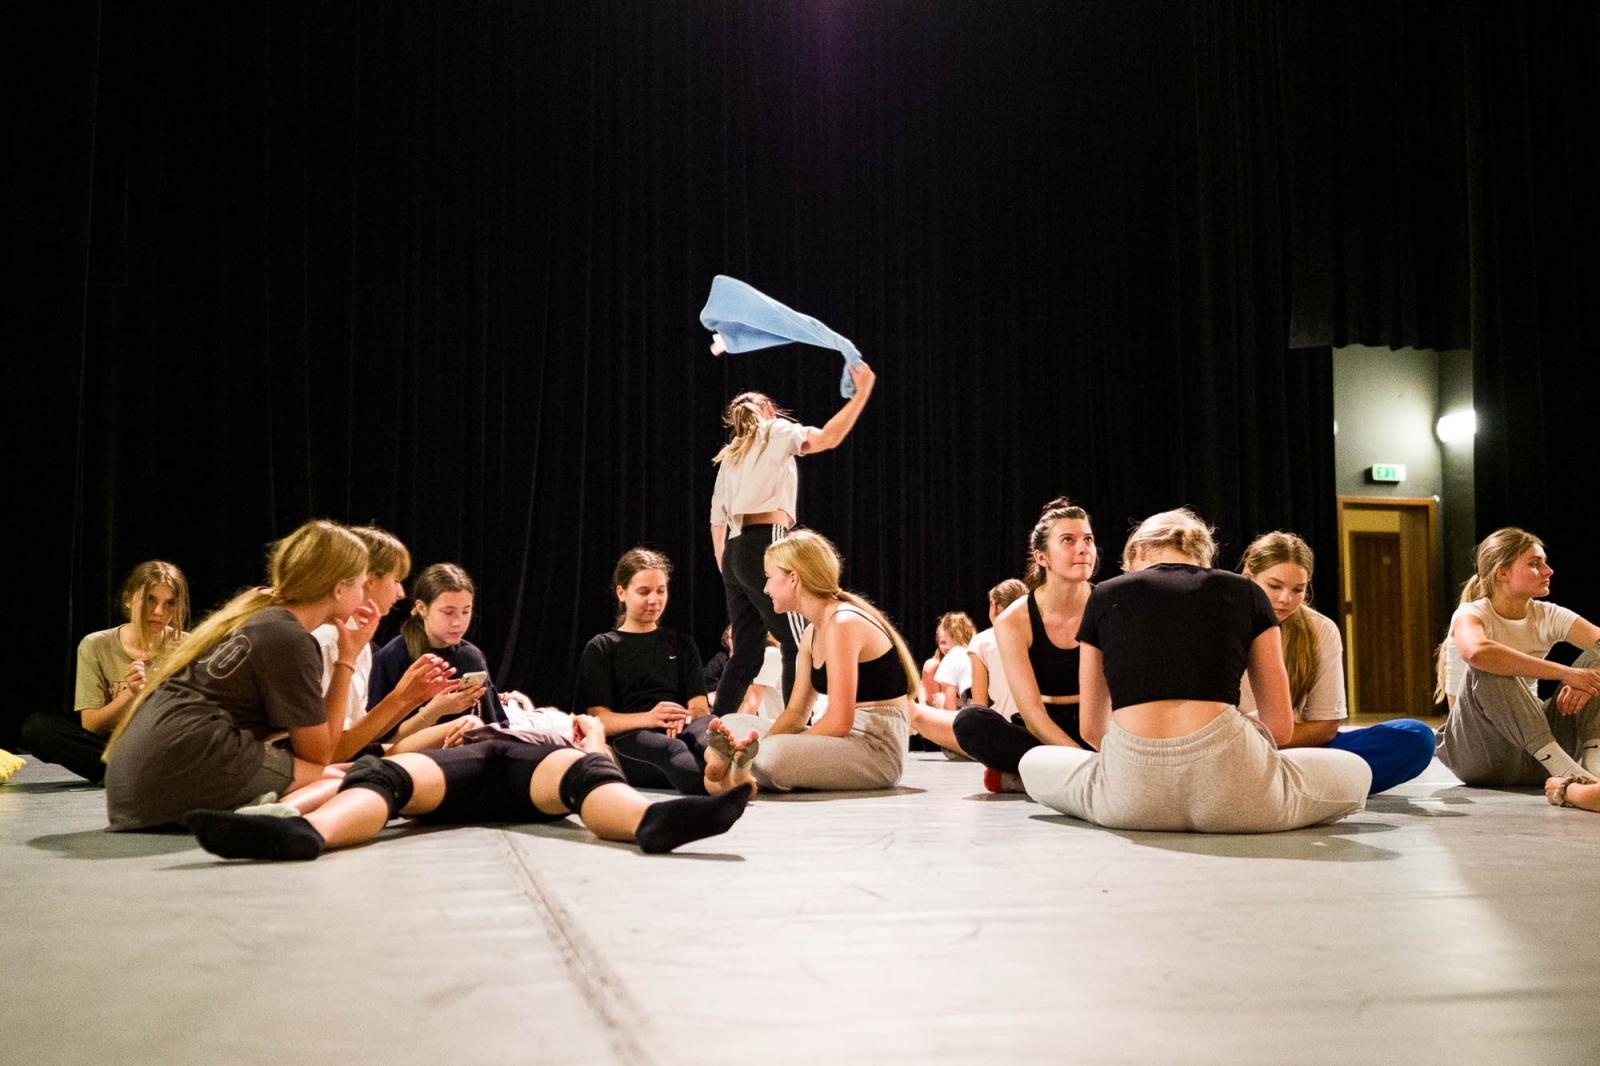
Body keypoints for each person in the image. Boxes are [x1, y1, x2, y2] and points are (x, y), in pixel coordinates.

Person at [1019, 508, 1370, 833]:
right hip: (1238, 798)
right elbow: (1279, 729)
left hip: (1130, 802)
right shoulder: (1247, 593)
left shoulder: (1103, 595)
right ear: (1203, 553)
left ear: (1138, 552)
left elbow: (1092, 730)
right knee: (1355, 771)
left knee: (1035, 763)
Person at [183, 714, 755, 860]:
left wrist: (596, 737)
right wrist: (444, 723)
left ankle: (652, 823)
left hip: (535, 762)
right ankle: (309, 833)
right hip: (462, 760)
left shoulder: (558, 721)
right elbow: (396, 750)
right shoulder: (473, 714)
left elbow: (598, 755)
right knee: (386, 776)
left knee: (588, 773)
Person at [103, 521, 372, 829]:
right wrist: (346, 661)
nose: (364, 594)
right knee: (346, 781)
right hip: (183, 762)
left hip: (133, 790)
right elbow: (321, 754)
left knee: (336, 776)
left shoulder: (256, 616)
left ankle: (260, 809)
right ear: (339, 588)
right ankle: (262, 820)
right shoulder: (289, 636)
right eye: (362, 584)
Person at [709, 362, 876, 714]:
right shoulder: (776, 430)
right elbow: (828, 438)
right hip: (767, 542)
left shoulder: (731, 456)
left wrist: (728, 570)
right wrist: (861, 394)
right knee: (798, 641)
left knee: (747, 653)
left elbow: (716, 523)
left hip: (735, 551)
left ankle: (712, 737)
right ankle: (797, 729)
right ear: (768, 409)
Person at [712, 529, 917, 791]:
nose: (764, 588)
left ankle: (736, 771)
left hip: (874, 749)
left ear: (793, 579)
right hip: (841, 741)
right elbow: (796, 713)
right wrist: (755, 745)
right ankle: (740, 770)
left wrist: (770, 747)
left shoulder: (843, 623)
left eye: (768, 578)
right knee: (730, 723)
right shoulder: (811, 633)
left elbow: (840, 721)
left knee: (774, 756)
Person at [1237, 532, 1435, 794]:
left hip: (1297, 751)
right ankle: (1303, 785)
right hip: (1231, 750)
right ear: (1250, 576)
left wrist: (1269, 742)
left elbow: (1325, 726)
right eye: (1274, 586)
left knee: (1416, 737)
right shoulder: (1219, 622)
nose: (1286, 598)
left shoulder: (1320, 630)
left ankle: (1282, 784)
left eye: (1298, 589)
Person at [951, 498, 1096, 792]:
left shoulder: (1109, 603)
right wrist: (1088, 765)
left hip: (1098, 726)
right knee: (970, 723)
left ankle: (1033, 778)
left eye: (1088, 539)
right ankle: (1069, 777)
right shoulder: (1013, 619)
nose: (1083, 548)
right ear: (1042, 557)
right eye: (1068, 540)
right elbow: (1032, 714)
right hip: (1042, 731)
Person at [1435, 528, 1600, 787]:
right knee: (1488, 665)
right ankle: (1570, 773)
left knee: (1594, 660)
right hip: (1481, 754)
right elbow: (1477, 653)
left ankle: (1593, 764)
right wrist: (1566, 673)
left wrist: (1590, 685)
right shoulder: (1470, 614)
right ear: (1502, 572)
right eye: (1535, 564)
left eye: (1545, 562)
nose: (1548, 571)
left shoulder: (1549, 614)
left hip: (1537, 758)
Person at [22, 561, 190, 784]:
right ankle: (137, 774)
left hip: (167, 748)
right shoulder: (95, 645)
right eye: (150, 599)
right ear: (129, 599)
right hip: (113, 751)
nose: (159, 612)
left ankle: (140, 775)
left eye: (170, 604)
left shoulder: (187, 646)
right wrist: (130, 694)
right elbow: (92, 726)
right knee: (38, 729)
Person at [312, 526, 463, 762]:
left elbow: (360, 736)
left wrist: (416, 698)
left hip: (352, 758)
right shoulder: (329, 641)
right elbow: (330, 754)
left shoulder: (359, 641)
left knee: (470, 729)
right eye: (396, 580)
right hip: (327, 767)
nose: (401, 592)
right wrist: (402, 697)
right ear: (368, 580)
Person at [574, 548, 714, 795]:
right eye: (644, 592)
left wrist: (684, 717)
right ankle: (726, 779)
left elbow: (699, 706)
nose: (654, 600)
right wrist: (651, 718)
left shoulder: (681, 644)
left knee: (709, 729)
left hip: (682, 727)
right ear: (621, 593)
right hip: (632, 738)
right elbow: (599, 720)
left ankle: (726, 766)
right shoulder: (603, 647)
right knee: (673, 750)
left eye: (661, 590)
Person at [367, 563, 506, 744]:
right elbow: (377, 740)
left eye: (466, 611)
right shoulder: (395, 655)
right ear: (422, 608)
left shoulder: (470, 656)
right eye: (448, 612)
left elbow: (495, 724)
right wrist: (435, 711)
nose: (458, 622)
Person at [907, 580, 1025, 756]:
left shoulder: (982, 642)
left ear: (995, 607)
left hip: (1000, 738)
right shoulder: (1044, 637)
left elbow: (979, 710)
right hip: (1037, 735)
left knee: (912, 709)